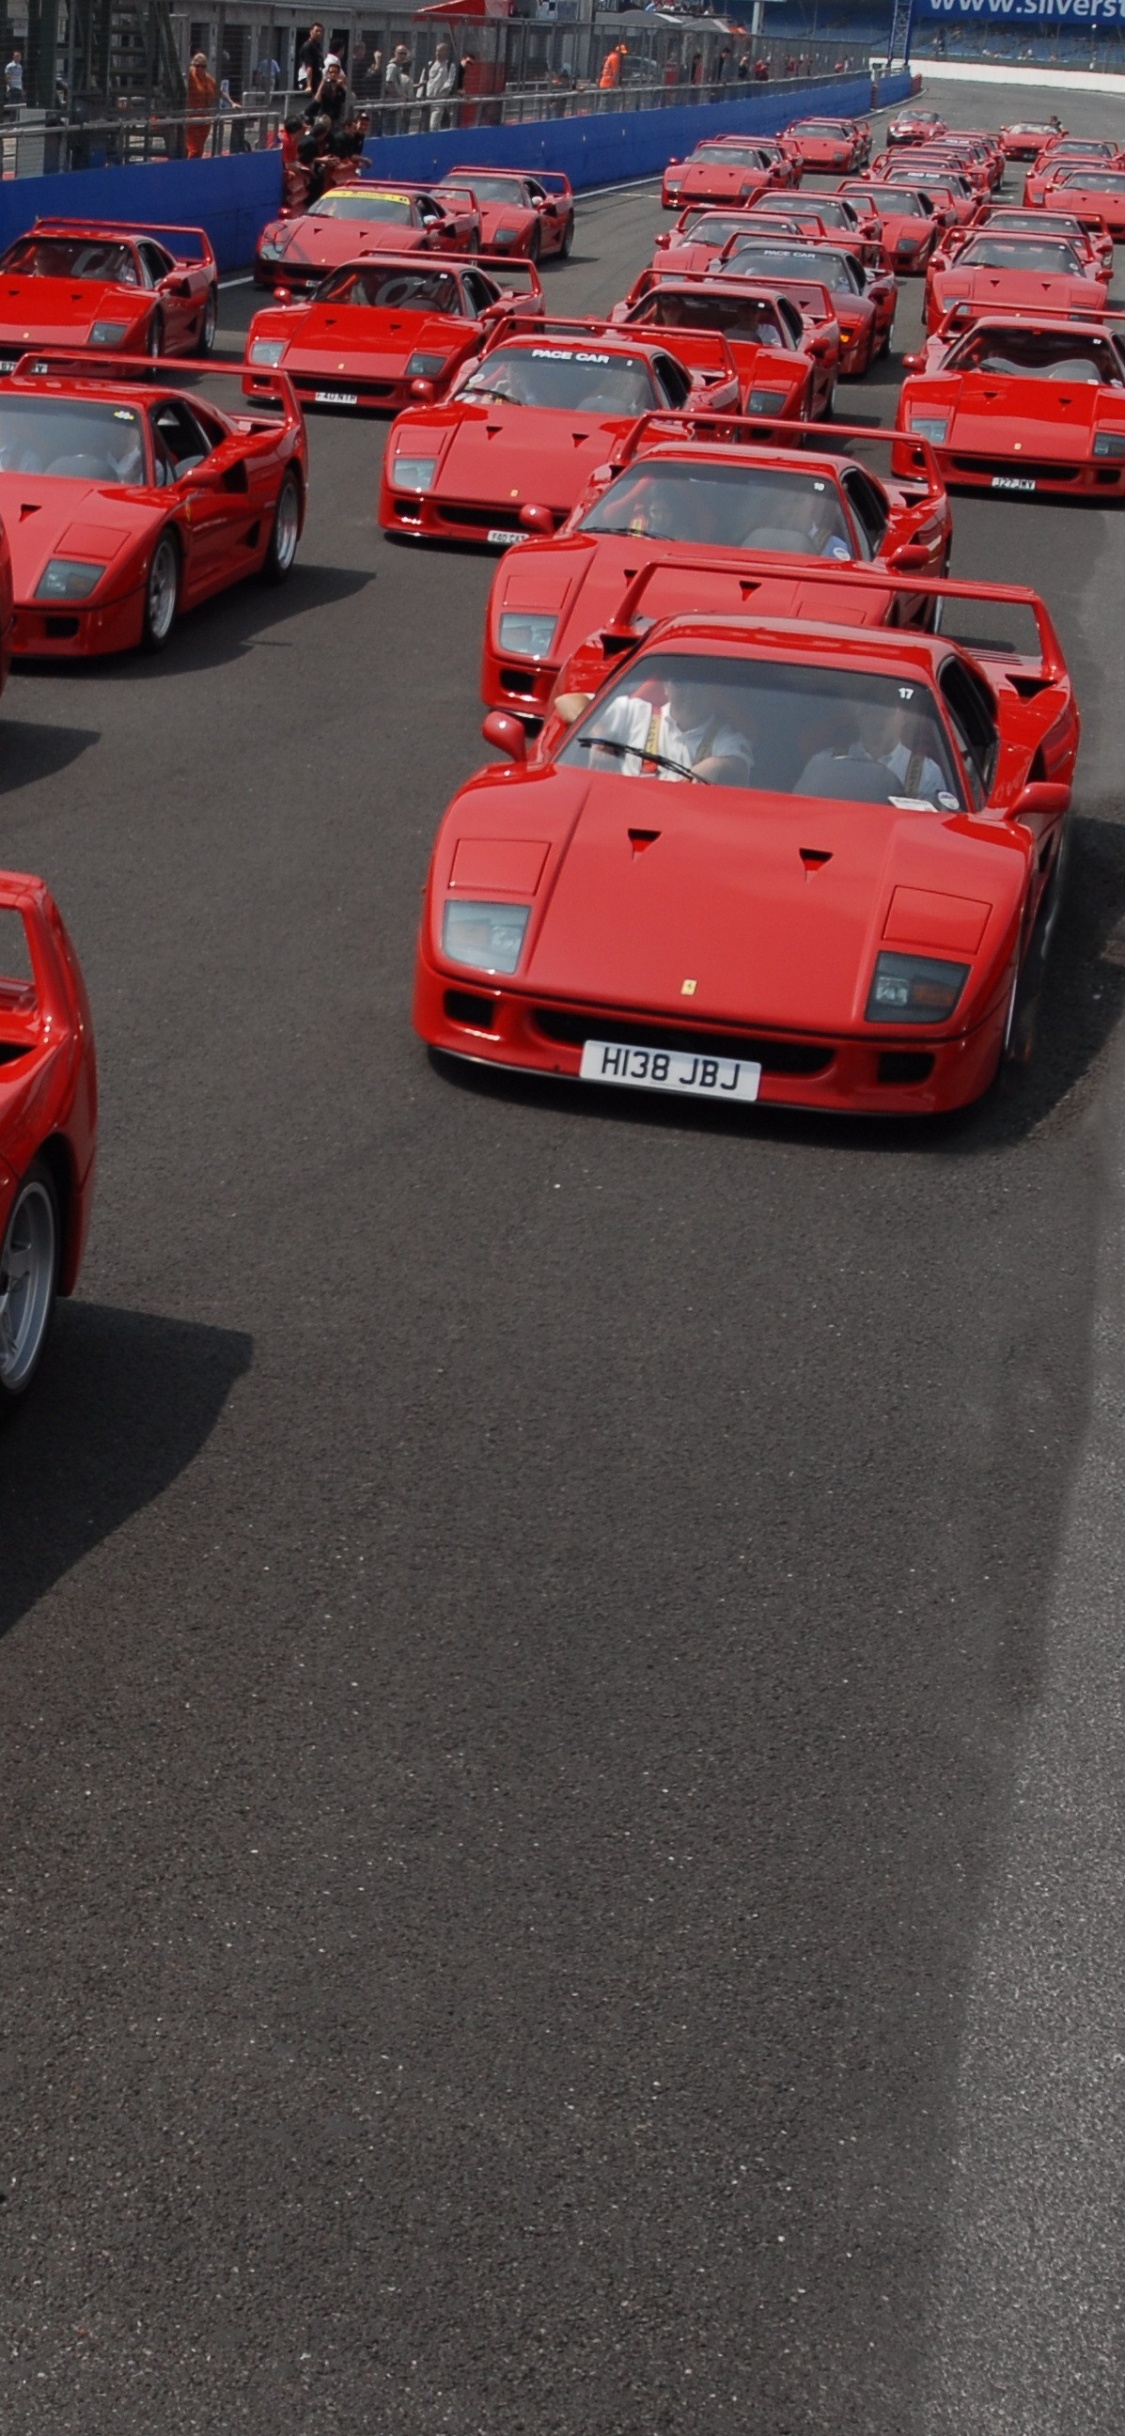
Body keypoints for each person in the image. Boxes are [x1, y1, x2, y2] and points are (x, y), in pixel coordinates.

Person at [567, 671, 754, 785]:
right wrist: (597, 731)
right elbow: (567, 701)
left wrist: (717, 765)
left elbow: (739, 766)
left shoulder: (726, 738)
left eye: (699, 684)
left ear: (713, 690)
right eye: (680, 683)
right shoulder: (635, 712)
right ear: (665, 686)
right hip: (625, 815)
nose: (690, 692)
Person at [794, 696, 951, 806]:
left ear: (904, 718)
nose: (878, 719)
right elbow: (802, 810)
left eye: (887, 712)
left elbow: (929, 828)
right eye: (870, 712)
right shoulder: (824, 764)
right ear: (859, 719)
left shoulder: (927, 772)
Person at [419, 40, 457, 132]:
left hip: (439, 100)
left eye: (441, 51)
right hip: (427, 99)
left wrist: (443, 93)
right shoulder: (430, 64)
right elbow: (423, 80)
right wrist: (419, 96)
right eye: (437, 51)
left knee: (434, 124)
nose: (438, 53)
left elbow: (450, 82)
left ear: (447, 52)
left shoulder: (449, 66)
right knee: (424, 122)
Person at [186, 52, 217, 159]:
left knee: (199, 150)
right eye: (197, 66)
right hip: (192, 121)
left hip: (205, 121)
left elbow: (219, 91)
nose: (200, 69)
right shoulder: (190, 77)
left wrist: (232, 102)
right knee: (194, 150)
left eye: (203, 66)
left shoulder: (208, 78)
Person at [383, 44, 413, 133]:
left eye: (404, 53)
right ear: (395, 53)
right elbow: (388, 84)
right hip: (390, 105)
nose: (403, 56)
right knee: (389, 131)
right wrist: (399, 96)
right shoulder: (392, 67)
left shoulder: (398, 67)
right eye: (400, 53)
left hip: (395, 106)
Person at [314, 56, 348, 131]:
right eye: (331, 72)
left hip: (336, 119)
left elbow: (351, 97)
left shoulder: (340, 88)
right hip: (324, 117)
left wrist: (343, 85)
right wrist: (322, 83)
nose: (333, 74)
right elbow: (316, 100)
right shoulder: (325, 85)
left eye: (335, 73)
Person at [297, 23, 325, 93]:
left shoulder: (317, 45)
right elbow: (308, 66)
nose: (319, 33)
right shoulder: (308, 46)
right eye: (316, 31)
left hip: (317, 77)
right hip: (308, 79)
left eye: (320, 31)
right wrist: (309, 85)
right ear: (311, 31)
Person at [4, 45, 22, 110]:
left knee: (19, 106)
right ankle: (12, 119)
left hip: (19, 88)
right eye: (17, 56)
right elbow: (7, 77)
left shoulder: (20, 66)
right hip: (13, 89)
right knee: (13, 106)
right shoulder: (10, 66)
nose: (18, 58)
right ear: (13, 57)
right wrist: (11, 87)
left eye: (19, 56)